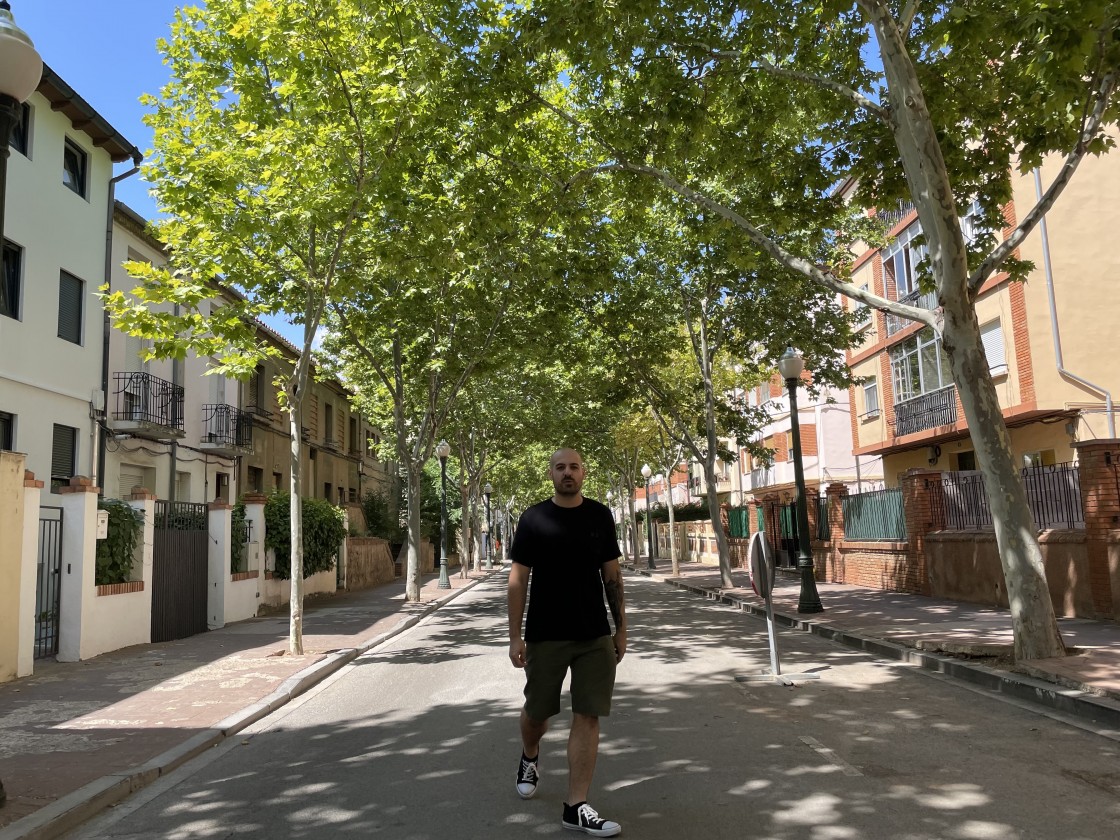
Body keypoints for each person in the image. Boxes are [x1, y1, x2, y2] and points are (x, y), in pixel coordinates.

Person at [508, 448, 626, 838]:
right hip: (545, 635)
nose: (568, 472)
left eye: (574, 466)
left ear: (584, 472)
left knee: (588, 715)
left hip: (593, 634)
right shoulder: (533, 518)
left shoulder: (599, 516)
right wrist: (515, 636)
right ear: (551, 474)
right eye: (560, 467)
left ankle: (576, 805)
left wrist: (621, 628)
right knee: (537, 714)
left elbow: (612, 575)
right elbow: (518, 580)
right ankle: (529, 756)